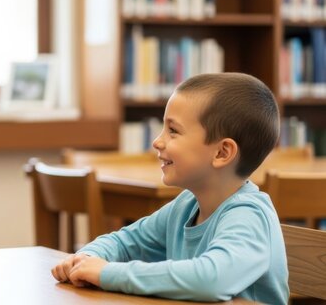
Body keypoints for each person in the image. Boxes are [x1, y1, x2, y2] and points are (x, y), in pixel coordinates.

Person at [52, 73, 289, 304]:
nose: (157, 141)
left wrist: (107, 273)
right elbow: (125, 242)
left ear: (222, 152)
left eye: (173, 130)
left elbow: (210, 279)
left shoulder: (248, 215)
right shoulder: (186, 205)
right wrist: (87, 258)